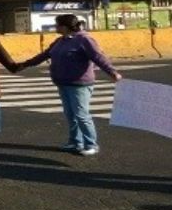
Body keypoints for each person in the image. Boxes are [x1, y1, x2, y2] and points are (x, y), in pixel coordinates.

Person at [16, 14, 121, 156]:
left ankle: (91, 144)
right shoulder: (60, 41)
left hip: (79, 84)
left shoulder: (84, 39)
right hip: (63, 83)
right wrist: (25, 64)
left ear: (65, 26)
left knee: (81, 115)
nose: (56, 27)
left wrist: (112, 72)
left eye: (57, 25)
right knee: (71, 115)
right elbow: (44, 55)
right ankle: (75, 142)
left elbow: (98, 57)